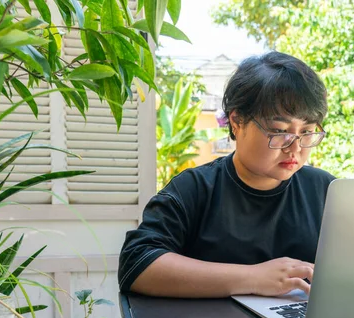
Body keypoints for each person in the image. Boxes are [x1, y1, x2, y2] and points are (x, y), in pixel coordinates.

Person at [118, 51, 335, 298]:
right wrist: (254, 278)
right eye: (279, 130)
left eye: (307, 131)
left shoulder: (325, 190)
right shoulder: (195, 189)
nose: (295, 147)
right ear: (237, 121)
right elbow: (137, 264)